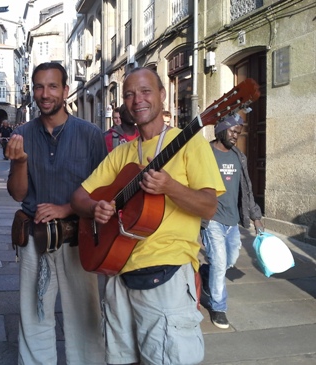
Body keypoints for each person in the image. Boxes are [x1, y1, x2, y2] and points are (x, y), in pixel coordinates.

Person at [71, 67, 226, 365]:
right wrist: (94, 208)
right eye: (129, 94)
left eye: (145, 91)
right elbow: (79, 196)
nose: (136, 100)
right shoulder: (122, 153)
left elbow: (209, 207)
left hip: (165, 275)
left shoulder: (188, 142)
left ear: (162, 96)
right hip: (118, 273)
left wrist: (171, 187)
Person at [6, 62, 107, 365]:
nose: (44, 93)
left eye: (52, 86)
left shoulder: (90, 135)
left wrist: (65, 208)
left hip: (78, 238)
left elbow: (101, 190)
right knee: (33, 315)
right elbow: (18, 194)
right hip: (34, 240)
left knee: (85, 317)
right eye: (38, 86)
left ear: (65, 91)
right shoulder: (22, 134)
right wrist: (20, 162)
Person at [200, 114, 264, 330]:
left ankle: (205, 273)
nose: (236, 136)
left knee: (229, 260)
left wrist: (255, 216)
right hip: (212, 219)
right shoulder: (206, 153)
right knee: (219, 263)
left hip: (233, 220)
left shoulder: (239, 156)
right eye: (232, 131)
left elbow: (246, 189)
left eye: (238, 132)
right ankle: (219, 307)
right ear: (221, 130)